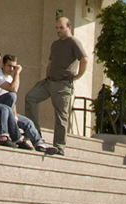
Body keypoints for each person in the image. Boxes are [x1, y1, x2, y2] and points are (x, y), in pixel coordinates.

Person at [24, 17, 88, 156]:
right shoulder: (55, 44)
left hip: (63, 84)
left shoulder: (74, 42)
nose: (58, 30)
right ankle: (35, 134)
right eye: (57, 28)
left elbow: (84, 59)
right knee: (30, 97)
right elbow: (50, 62)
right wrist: (47, 75)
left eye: (61, 28)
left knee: (61, 116)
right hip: (49, 82)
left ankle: (59, 146)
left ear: (69, 28)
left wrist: (78, 76)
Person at [0, 54, 59, 155]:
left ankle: (39, 144)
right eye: (9, 66)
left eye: (14, 67)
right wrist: (17, 73)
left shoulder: (10, 78)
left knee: (28, 122)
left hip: (8, 111)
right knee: (12, 95)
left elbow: (13, 102)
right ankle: (16, 138)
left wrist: (15, 116)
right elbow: (13, 89)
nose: (12, 69)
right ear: (3, 65)